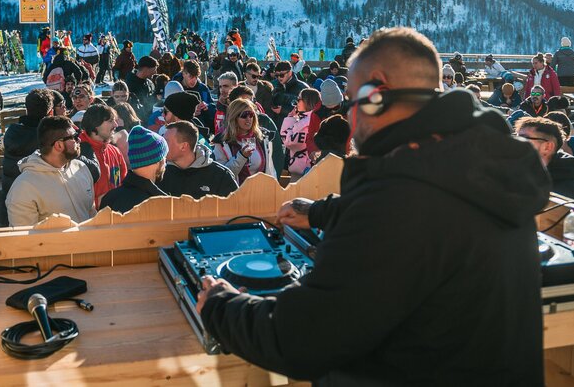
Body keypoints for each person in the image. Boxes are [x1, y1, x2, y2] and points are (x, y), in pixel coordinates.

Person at [196, 27, 548, 384]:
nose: (350, 117)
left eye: (352, 101)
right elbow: (431, 222)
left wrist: (221, 305)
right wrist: (320, 212)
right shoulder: (475, 162)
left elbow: (304, 339)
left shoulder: (397, 199)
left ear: (375, 94)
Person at [5, 116, 97, 227]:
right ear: (59, 145)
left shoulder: (81, 168)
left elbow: (92, 214)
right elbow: (23, 235)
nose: (79, 140)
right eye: (75, 137)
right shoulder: (24, 187)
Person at [1, 89, 54, 223]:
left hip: (11, 191)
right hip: (36, 196)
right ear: (50, 111)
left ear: (27, 108)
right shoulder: (46, 136)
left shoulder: (12, 131)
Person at [516, 117, 574, 203]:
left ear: (548, 147)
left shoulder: (571, 190)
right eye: (515, 138)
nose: (515, 143)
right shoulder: (518, 175)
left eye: (523, 139)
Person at [99, 126, 169, 213]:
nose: (165, 162)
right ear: (157, 160)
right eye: (164, 157)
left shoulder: (110, 198)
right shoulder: (163, 205)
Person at [161, 121, 239, 199]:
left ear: (184, 146)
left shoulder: (220, 176)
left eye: (166, 141)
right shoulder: (159, 173)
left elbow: (236, 204)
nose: (162, 146)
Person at [213, 98, 277, 184]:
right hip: (235, 190)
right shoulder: (222, 142)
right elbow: (222, 175)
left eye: (251, 114)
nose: (248, 118)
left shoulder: (262, 138)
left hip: (259, 189)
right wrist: (242, 157)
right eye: (244, 115)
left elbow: (270, 170)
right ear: (234, 117)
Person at [77, 103, 129, 208]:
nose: (116, 125)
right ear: (95, 124)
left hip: (115, 214)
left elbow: (124, 184)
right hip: (89, 216)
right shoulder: (77, 154)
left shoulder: (115, 151)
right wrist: (97, 202)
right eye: (110, 121)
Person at [280, 88, 321, 181]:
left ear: (307, 101)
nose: (296, 103)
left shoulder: (306, 122)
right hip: (307, 170)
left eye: (299, 99)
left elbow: (288, 141)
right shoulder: (310, 119)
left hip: (303, 172)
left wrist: (290, 118)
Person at [126, 55, 159, 121]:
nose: (155, 72)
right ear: (145, 69)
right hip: (136, 119)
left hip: (150, 119)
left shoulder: (150, 83)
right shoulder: (129, 84)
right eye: (154, 69)